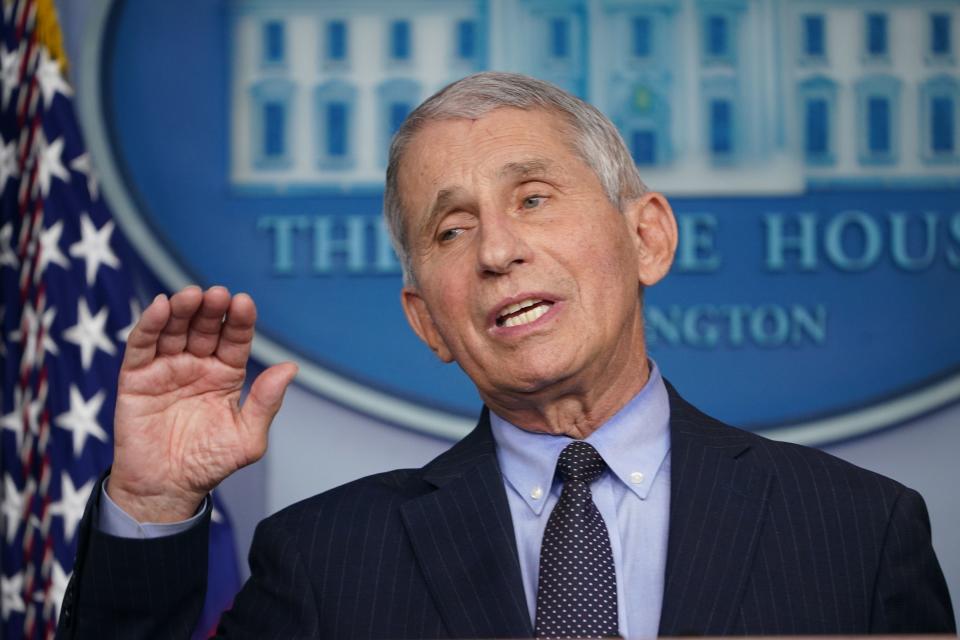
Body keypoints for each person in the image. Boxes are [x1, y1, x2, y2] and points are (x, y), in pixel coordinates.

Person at [57, 72, 954, 639]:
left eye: (532, 198)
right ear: (427, 322)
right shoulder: (326, 561)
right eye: (451, 228)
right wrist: (154, 503)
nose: (495, 250)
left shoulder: (858, 533)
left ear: (648, 237)